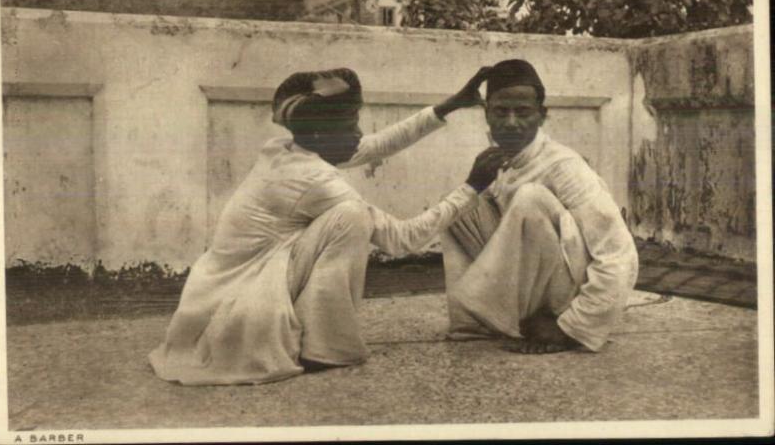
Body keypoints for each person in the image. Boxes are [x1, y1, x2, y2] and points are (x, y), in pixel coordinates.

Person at [149, 67, 503, 385]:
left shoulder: (287, 148)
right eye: (350, 125)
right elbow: (401, 239)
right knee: (352, 216)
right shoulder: (313, 179)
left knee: (346, 214)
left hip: (212, 299)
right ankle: (325, 347)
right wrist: (472, 187)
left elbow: (372, 145)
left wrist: (448, 106)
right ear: (322, 132)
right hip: (243, 311)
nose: (359, 133)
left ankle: (318, 339)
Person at [441, 59, 639, 354]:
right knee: (459, 207)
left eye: (522, 113)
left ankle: (550, 322)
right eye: (500, 112)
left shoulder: (564, 166)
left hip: (566, 297)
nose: (510, 122)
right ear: (486, 115)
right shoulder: (499, 161)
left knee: (530, 197)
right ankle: (479, 321)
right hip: (533, 286)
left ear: (541, 116)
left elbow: (620, 255)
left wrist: (572, 325)